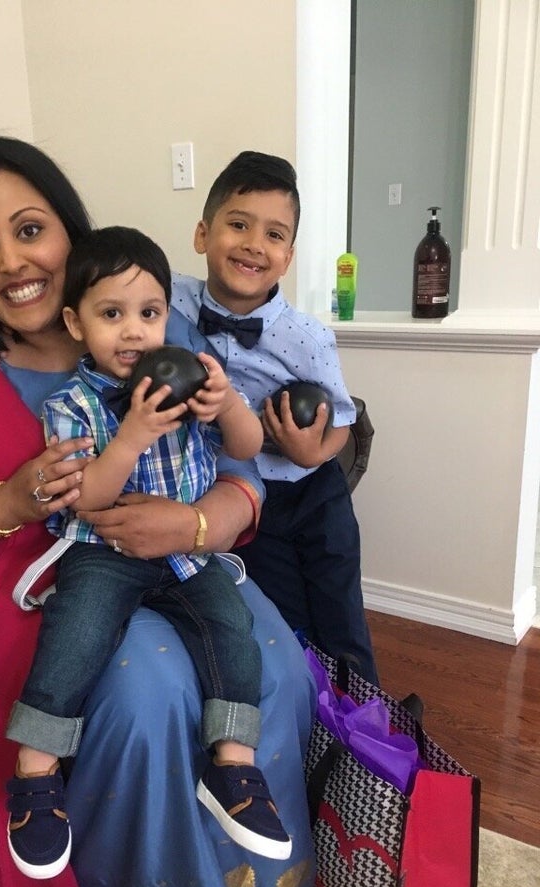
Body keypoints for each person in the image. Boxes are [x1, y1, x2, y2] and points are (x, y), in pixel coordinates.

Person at [0, 136, 318, 887]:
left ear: (69, 232)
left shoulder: (158, 328)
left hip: (186, 555)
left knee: (280, 664)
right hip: (41, 576)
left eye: (29, 228)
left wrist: (196, 525)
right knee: (146, 695)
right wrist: (10, 499)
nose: (12, 262)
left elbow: (241, 463)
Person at [5, 224, 292, 881]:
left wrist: (226, 407)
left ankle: (232, 769)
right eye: (112, 315)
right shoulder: (71, 406)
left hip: (186, 556)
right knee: (76, 630)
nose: (134, 332)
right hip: (102, 550)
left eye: (149, 313)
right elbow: (86, 500)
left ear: (169, 317)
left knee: (231, 626)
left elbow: (247, 449)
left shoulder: (194, 385)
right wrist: (131, 435)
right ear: (77, 324)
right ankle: (36, 771)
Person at [169, 150, 379, 685]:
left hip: (314, 493)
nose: (253, 244)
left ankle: (368, 735)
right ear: (202, 234)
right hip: (246, 495)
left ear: (287, 258)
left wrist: (313, 450)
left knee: (342, 618)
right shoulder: (169, 303)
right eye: (238, 224)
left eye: (274, 235)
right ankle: (308, 729)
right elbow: (100, 295)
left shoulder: (307, 336)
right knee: (286, 626)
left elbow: (345, 417)